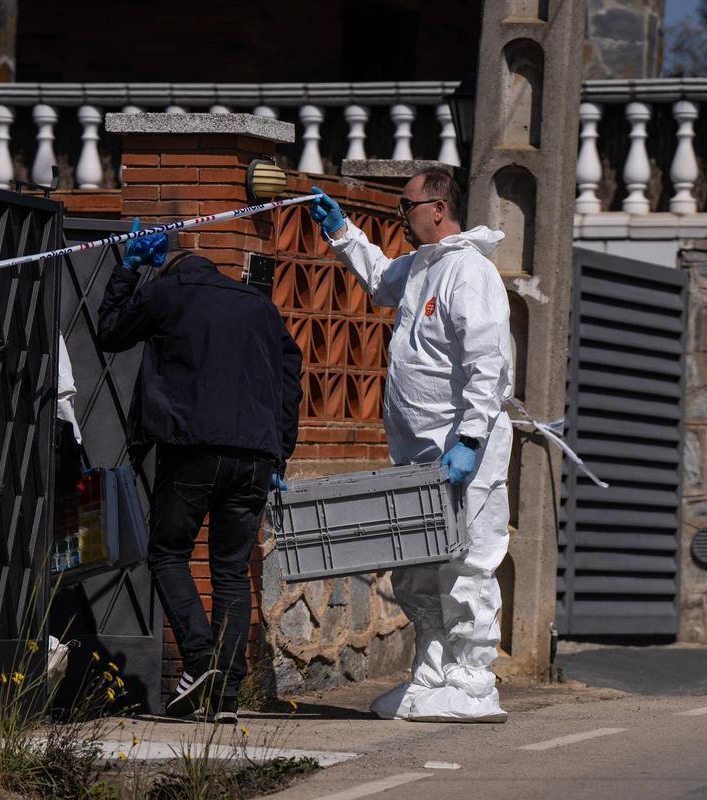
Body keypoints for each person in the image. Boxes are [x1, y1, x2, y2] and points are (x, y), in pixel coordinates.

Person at [309, 169, 513, 722]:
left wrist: (470, 438)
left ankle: (473, 679)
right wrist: (343, 232)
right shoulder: (425, 267)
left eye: (406, 206)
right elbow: (380, 280)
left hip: (463, 453)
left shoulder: (469, 273)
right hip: (420, 457)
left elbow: (486, 365)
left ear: (439, 208)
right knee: (418, 564)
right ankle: (432, 670)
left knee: (468, 563)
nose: (401, 216)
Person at [96, 221, 303, 724]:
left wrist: (126, 269)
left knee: (168, 553)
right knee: (231, 570)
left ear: (168, 265)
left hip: (193, 449)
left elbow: (110, 332)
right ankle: (226, 697)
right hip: (255, 457)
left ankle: (198, 659)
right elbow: (291, 373)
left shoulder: (169, 292)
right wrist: (280, 452)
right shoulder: (259, 306)